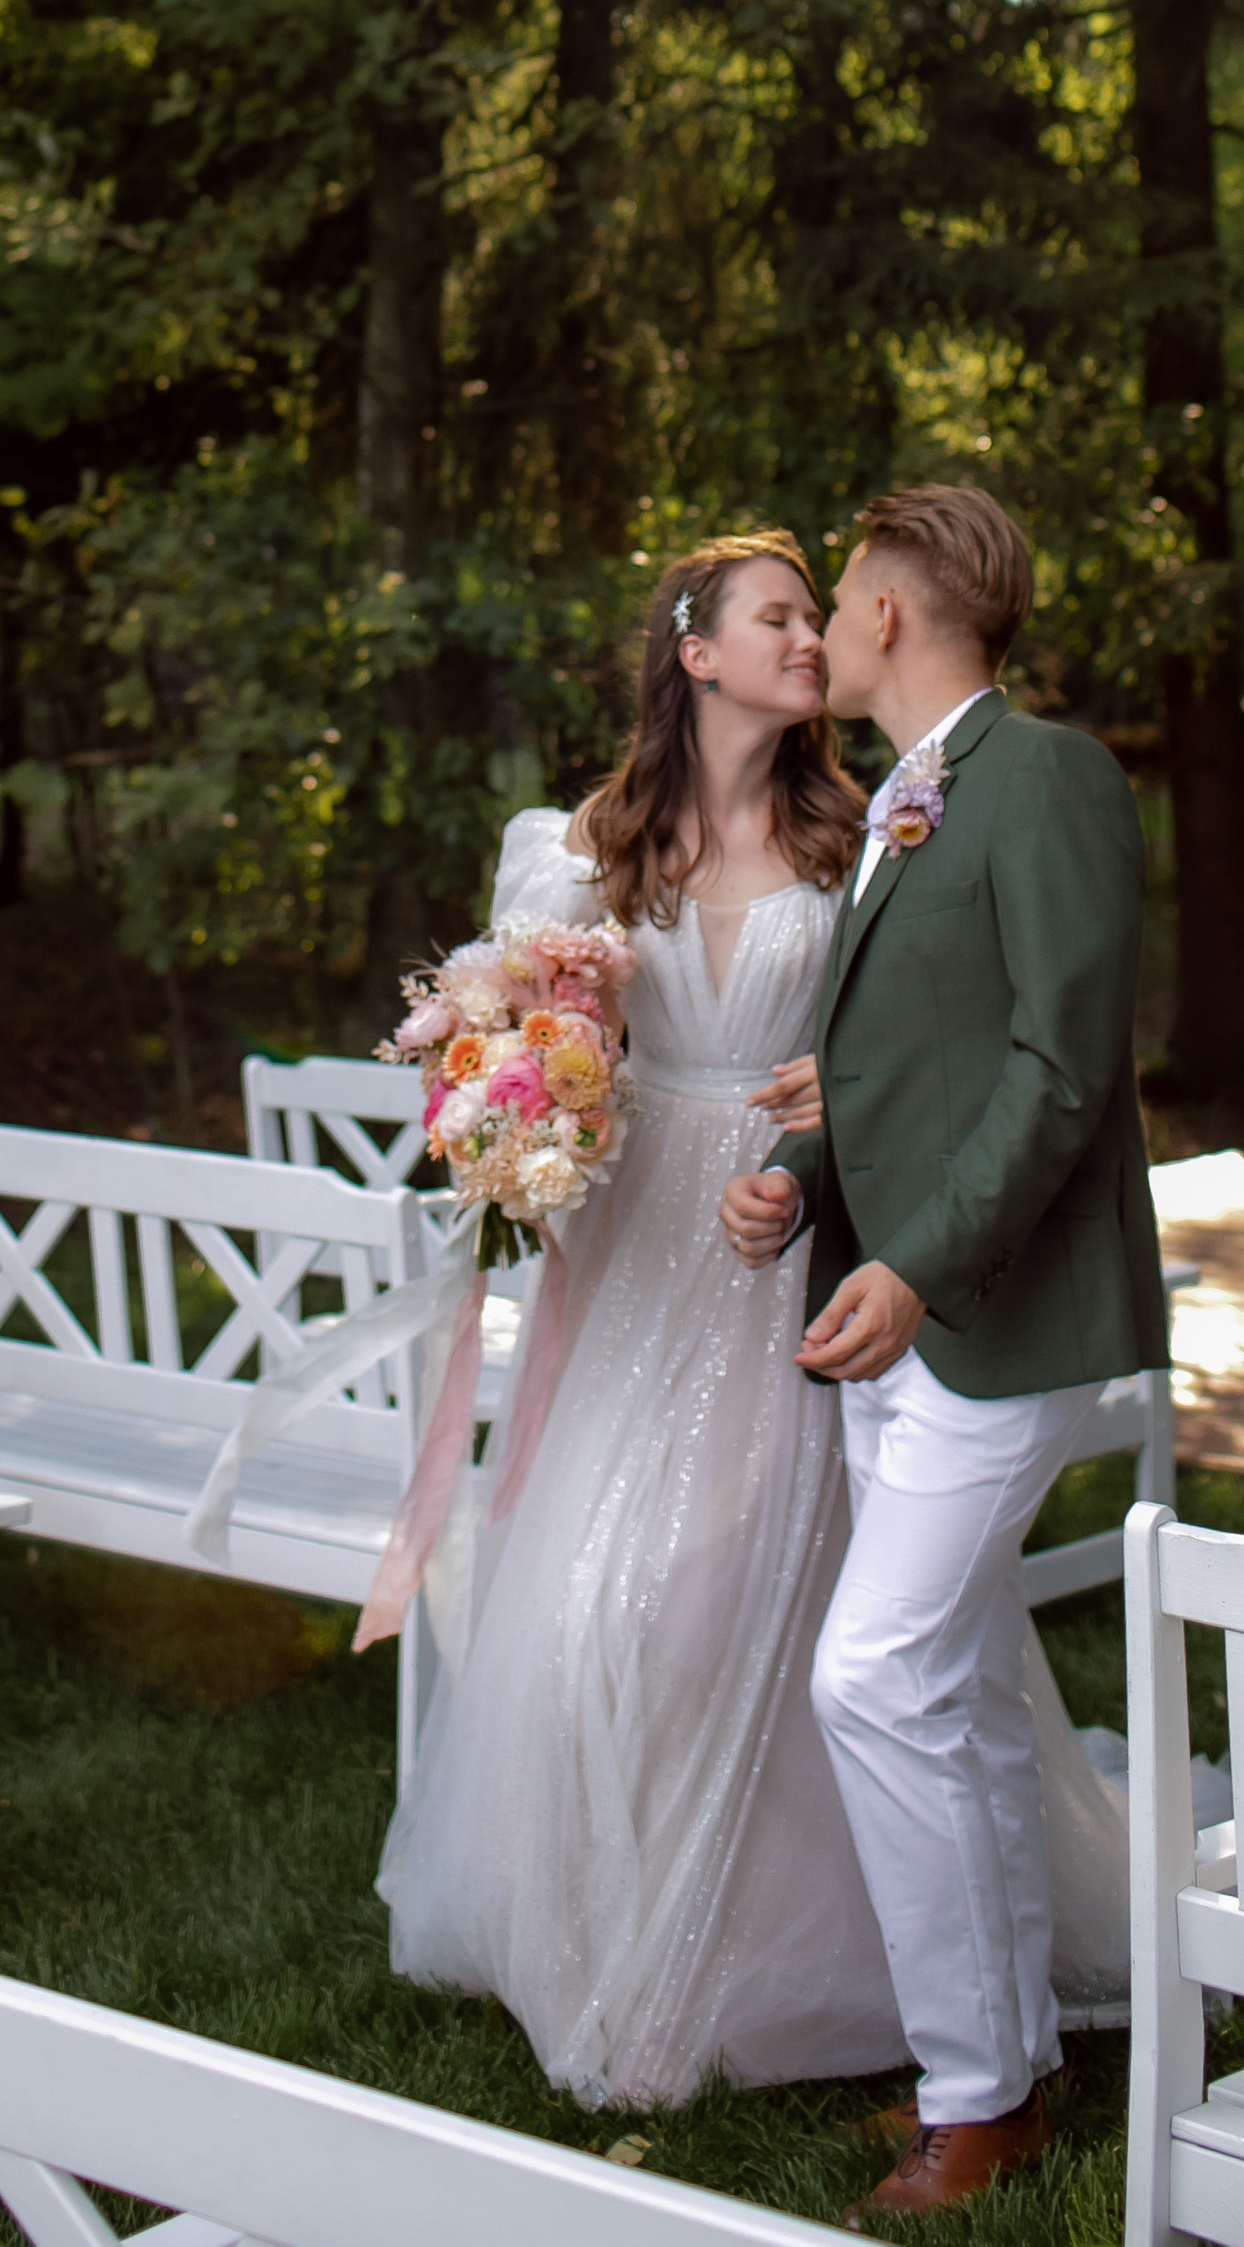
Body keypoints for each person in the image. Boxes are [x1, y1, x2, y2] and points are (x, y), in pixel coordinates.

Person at [377, 528, 908, 2109]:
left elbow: (901, 1045)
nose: (812, 640)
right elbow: (513, 1042)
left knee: (717, 1600)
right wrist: (510, 1123)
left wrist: (821, 1149)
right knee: (587, 1601)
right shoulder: (581, 851)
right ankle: (594, 1938)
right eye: (780, 616)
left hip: (780, 1242)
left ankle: (760, 1959)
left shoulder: (863, 839)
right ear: (696, 651)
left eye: (817, 617)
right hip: (632, 1264)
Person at [722, 481, 1169, 2222]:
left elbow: (1063, 1070)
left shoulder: (1043, 777)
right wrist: (796, 1181)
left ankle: (973, 2094)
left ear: (894, 615)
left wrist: (917, 1266)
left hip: (1003, 1314)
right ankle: (1009, 2072)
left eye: (836, 598)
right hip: (890, 1319)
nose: (822, 627)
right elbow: (905, 1067)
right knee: (961, 1697)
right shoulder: (907, 802)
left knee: (874, 1674)